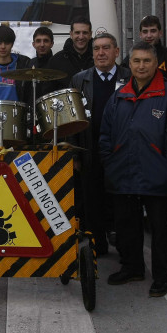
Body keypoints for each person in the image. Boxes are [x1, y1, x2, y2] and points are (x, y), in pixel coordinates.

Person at [99, 41, 167, 297]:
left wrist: (166, 163)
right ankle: (132, 267)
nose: (141, 66)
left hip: (156, 175)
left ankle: (162, 277)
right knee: (127, 226)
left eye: (146, 61)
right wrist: (110, 159)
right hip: (122, 173)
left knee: (160, 231)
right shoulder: (119, 95)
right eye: (136, 61)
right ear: (129, 64)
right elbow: (105, 133)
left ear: (156, 63)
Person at [69, 33, 130, 255]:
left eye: (106, 48)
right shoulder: (80, 79)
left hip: (121, 151)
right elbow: (72, 119)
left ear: (117, 51)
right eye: (96, 49)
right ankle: (98, 247)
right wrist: (75, 155)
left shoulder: (129, 76)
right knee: (92, 200)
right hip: (90, 149)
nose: (101, 53)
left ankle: (124, 246)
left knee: (120, 201)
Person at [45, 16, 94, 91]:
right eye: (77, 33)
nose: (81, 37)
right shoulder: (56, 61)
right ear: (71, 34)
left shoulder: (99, 58)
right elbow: (47, 91)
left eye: (85, 33)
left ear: (90, 34)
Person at [121, 15, 167, 81]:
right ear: (140, 35)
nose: (149, 35)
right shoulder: (132, 56)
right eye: (145, 32)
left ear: (160, 33)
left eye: (153, 31)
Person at [28, 26, 56, 99]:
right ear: (33, 44)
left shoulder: (58, 63)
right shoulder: (30, 63)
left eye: (46, 41)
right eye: (38, 41)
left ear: (52, 44)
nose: (42, 45)